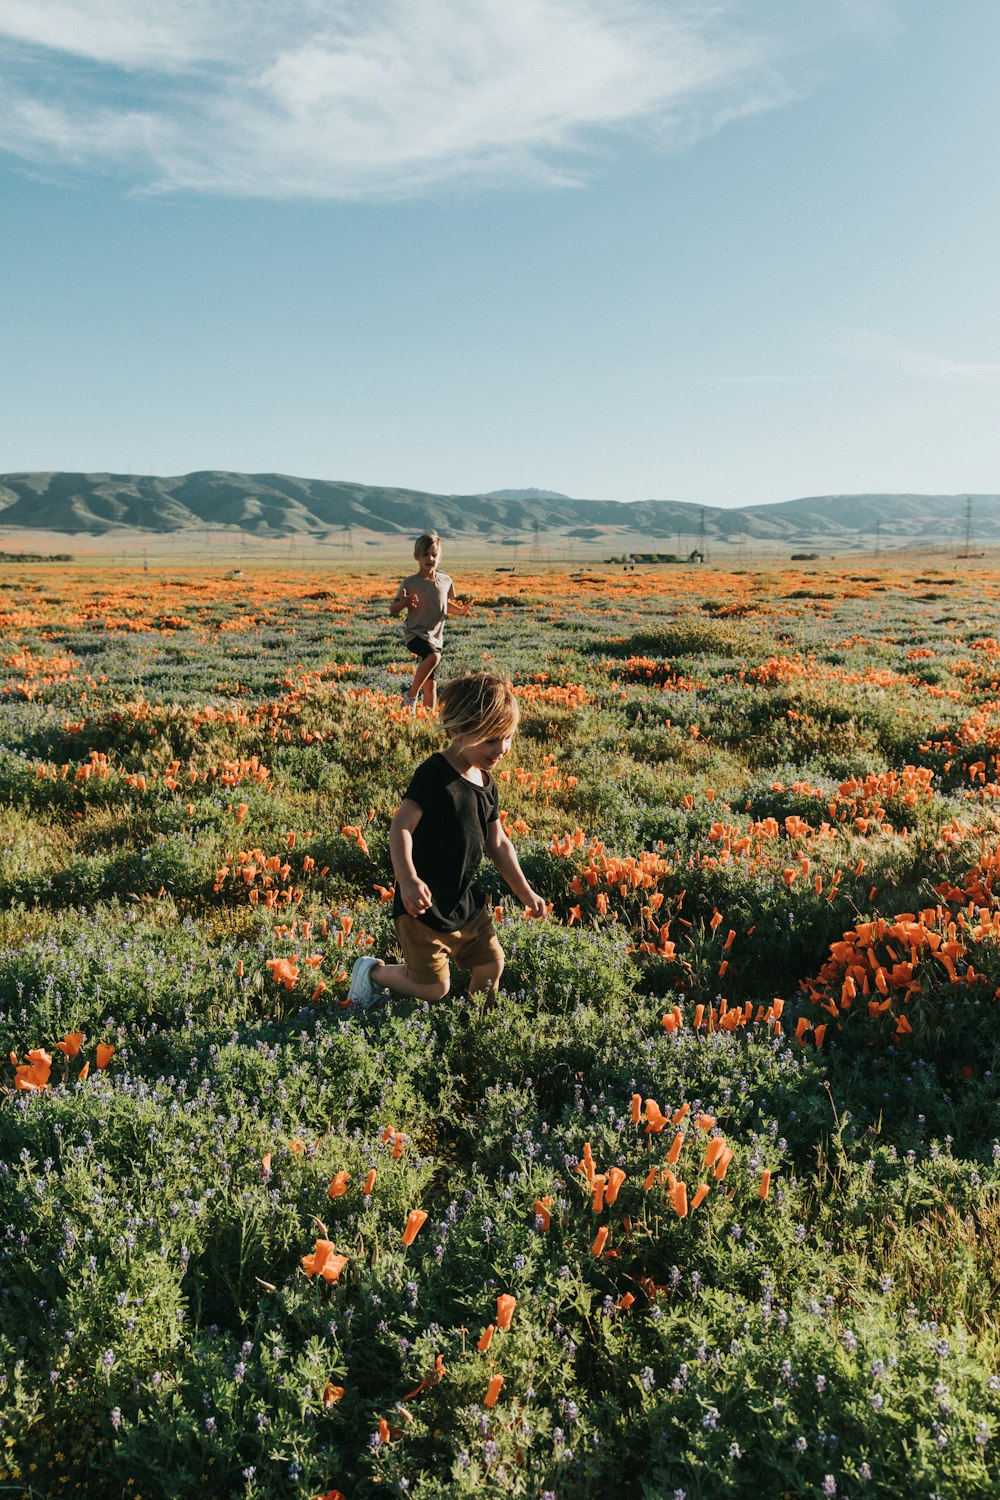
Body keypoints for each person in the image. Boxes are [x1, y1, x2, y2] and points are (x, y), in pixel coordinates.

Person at [348, 673, 547, 1010]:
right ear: (456, 731)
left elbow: (498, 844)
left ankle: (473, 1022)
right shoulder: (434, 775)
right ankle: (374, 975)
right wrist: (408, 881)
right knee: (434, 988)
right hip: (423, 906)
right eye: (490, 739)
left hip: (465, 902)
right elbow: (401, 828)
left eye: (507, 738)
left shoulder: (486, 783)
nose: (501, 749)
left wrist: (526, 893)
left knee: (491, 965)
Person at [390, 531, 471, 713]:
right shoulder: (410, 582)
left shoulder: (446, 581)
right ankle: (410, 696)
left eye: (434, 555)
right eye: (425, 554)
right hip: (415, 634)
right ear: (417, 556)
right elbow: (392, 608)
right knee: (433, 657)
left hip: (436, 638)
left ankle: (427, 720)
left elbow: (445, 604)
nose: (430, 558)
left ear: (440, 557)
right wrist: (404, 603)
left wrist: (461, 611)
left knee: (431, 686)